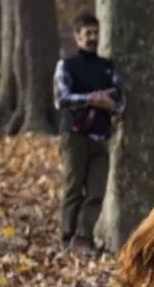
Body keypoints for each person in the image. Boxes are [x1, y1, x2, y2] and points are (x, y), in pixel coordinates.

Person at [53, 13, 126, 254]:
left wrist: (110, 105)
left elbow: (121, 102)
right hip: (74, 136)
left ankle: (83, 239)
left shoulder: (108, 67)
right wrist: (92, 99)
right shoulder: (67, 65)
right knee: (73, 187)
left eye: (96, 33)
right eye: (88, 34)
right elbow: (61, 98)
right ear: (77, 37)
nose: (93, 38)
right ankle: (67, 237)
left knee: (96, 191)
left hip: (101, 137)